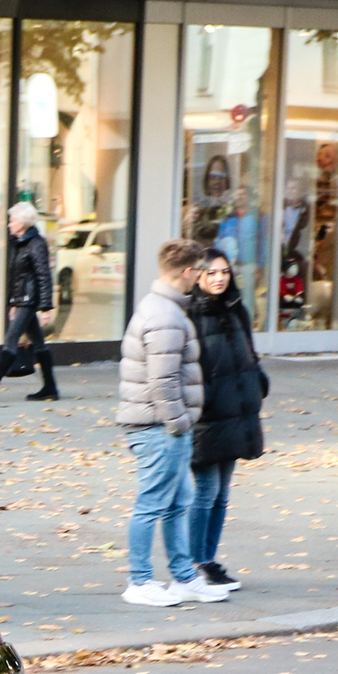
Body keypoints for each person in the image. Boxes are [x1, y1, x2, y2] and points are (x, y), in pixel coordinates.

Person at [120, 238, 229, 606]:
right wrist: (179, 423)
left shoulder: (164, 309)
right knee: (153, 504)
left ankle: (183, 577)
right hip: (158, 427)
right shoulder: (165, 316)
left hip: (159, 425)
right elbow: (162, 380)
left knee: (177, 502)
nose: (202, 277)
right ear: (187, 272)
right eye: (200, 271)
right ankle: (140, 581)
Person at [186, 251, 267, 587]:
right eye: (212, 272)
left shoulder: (236, 309)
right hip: (206, 418)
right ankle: (194, 564)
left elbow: (249, 353)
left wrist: (258, 383)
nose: (219, 278)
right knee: (205, 491)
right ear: (198, 276)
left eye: (224, 272)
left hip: (235, 415)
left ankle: (210, 559)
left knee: (221, 494)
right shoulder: (189, 313)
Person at [0, 202, 56, 401]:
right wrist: (13, 303)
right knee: (39, 344)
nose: (9, 224)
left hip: (30, 299)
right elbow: (17, 278)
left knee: (11, 339)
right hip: (22, 299)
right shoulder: (19, 243)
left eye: (13, 220)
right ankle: (50, 387)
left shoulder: (36, 243)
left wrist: (45, 307)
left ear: (23, 222)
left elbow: (44, 275)